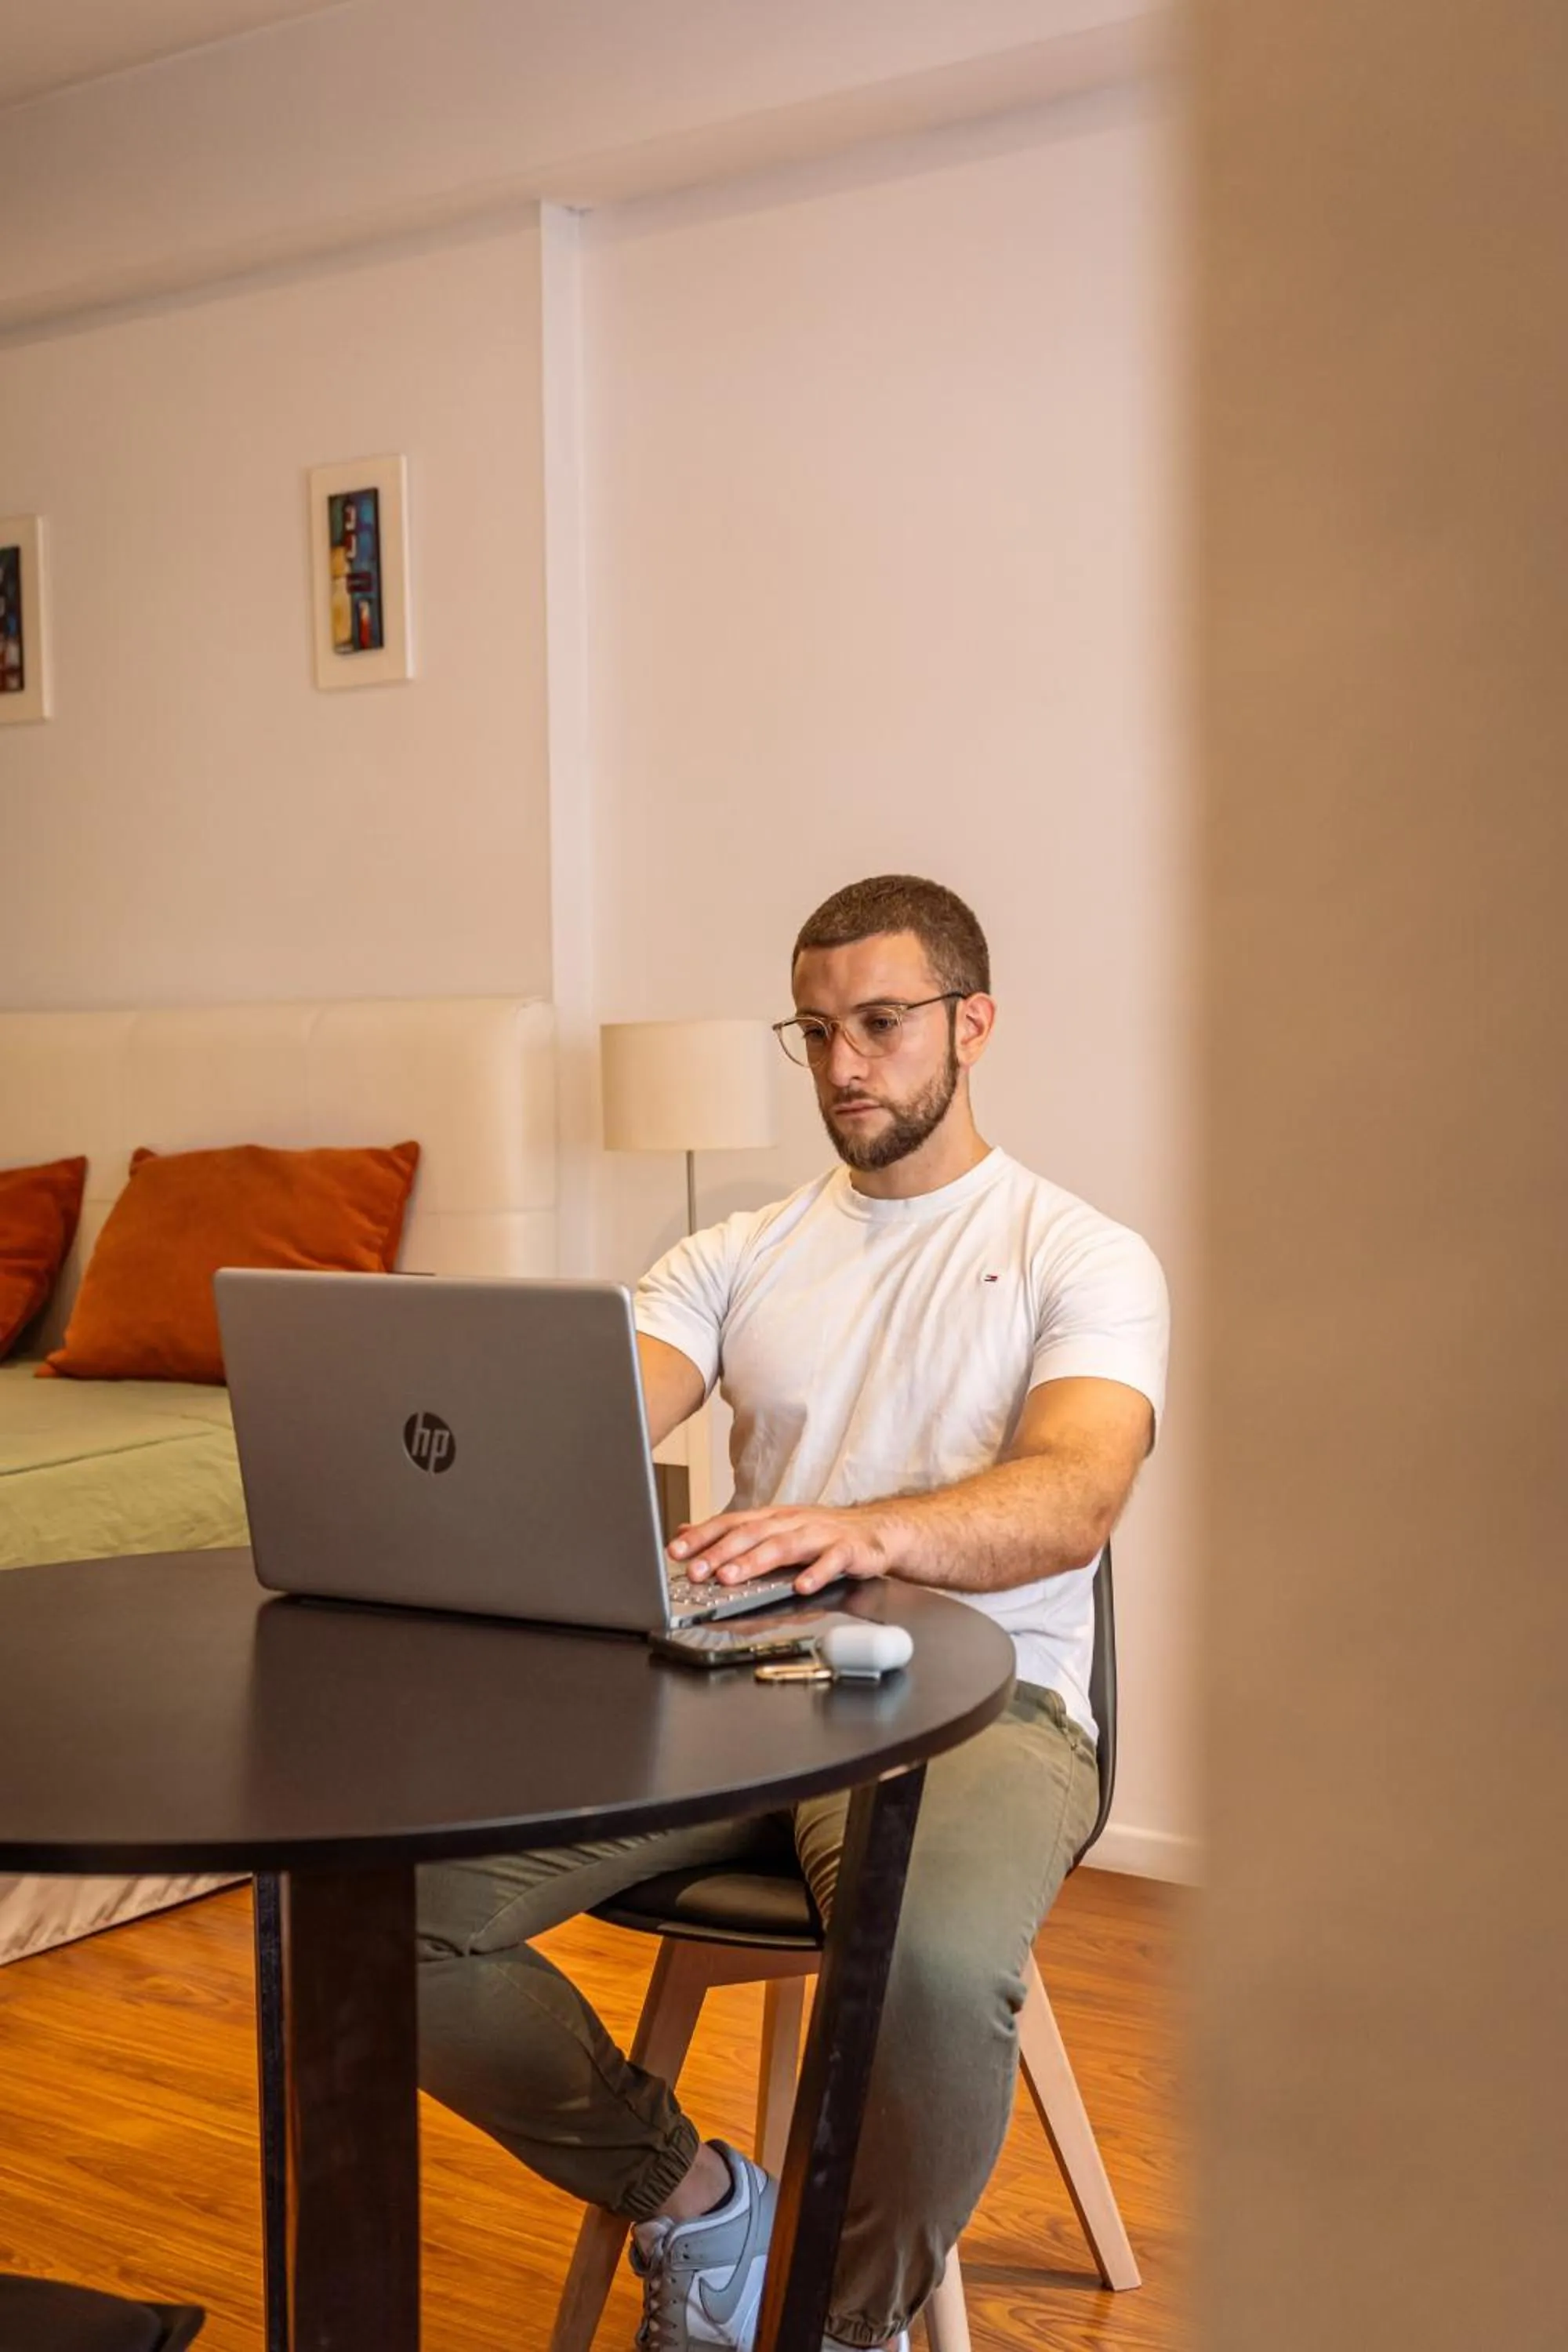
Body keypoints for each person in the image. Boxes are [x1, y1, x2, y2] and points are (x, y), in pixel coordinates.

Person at [418, 873, 1170, 2352]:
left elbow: (1076, 1496)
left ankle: (834, 2321)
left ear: (974, 1022)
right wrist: (472, 1460)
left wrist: (863, 1529)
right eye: (815, 1031)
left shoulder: (1082, 1252)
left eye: (881, 1025)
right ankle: (702, 2207)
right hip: (730, 1695)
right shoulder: (734, 1253)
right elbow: (575, 1436)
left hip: (983, 1706)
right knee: (378, 1917)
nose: (842, 1067)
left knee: (933, 1974)